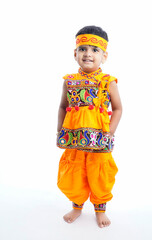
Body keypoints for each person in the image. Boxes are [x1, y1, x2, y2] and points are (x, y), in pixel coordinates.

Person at [56, 25, 122, 228]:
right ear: (75, 53)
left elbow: (118, 108)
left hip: (99, 140)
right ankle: (77, 206)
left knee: (99, 172)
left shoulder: (107, 82)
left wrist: (109, 132)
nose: (88, 54)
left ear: (105, 55)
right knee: (75, 173)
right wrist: (60, 130)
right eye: (83, 49)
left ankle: (100, 208)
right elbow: (62, 106)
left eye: (95, 50)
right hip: (74, 140)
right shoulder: (69, 82)